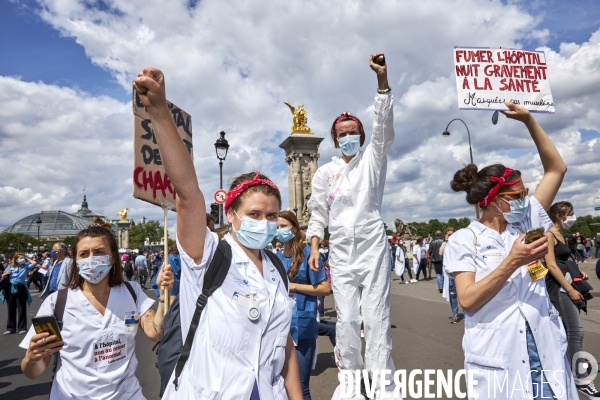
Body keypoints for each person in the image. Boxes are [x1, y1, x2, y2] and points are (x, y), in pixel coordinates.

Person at [133, 67, 303, 399]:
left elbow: (285, 348)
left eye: (271, 216)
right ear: (231, 214)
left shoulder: (278, 268)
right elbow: (188, 196)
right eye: (254, 214)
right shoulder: (209, 255)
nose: (264, 222)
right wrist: (159, 113)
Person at [444, 101, 578, 399]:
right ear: (494, 199)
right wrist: (512, 262)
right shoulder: (465, 239)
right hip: (501, 357)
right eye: (517, 195)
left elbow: (557, 168)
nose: (524, 199)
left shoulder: (527, 219)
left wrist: (529, 120)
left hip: (544, 348)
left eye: (525, 193)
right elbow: (467, 300)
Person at [305, 53, 399, 398]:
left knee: (375, 319)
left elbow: (384, 128)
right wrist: (315, 246)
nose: (348, 137)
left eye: (353, 132)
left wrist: (382, 83)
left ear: (361, 135)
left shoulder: (373, 158)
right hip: (341, 248)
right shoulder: (324, 173)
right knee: (346, 322)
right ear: (334, 140)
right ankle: (351, 386)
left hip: (372, 242)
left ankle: (384, 387)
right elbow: (318, 212)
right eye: (342, 134)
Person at [19, 220, 173, 399]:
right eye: (84, 254)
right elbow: (33, 372)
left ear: (112, 257)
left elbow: (156, 333)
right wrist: (31, 358)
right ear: (75, 260)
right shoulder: (57, 303)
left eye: (99, 252)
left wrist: (163, 295)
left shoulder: (132, 292)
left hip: (127, 394)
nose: (91, 259)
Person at [545, 202, 600, 398]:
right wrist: (569, 289)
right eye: (571, 214)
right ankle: (582, 380)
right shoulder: (549, 235)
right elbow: (551, 265)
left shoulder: (560, 235)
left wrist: (578, 274)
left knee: (570, 333)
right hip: (561, 289)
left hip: (568, 286)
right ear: (560, 216)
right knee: (575, 332)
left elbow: (564, 262)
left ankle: (571, 370)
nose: (573, 218)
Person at [276, 210, 330, 400]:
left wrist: (294, 286)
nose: (279, 230)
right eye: (276, 227)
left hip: (302, 326)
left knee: (300, 386)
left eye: (283, 226)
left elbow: (324, 288)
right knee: (280, 384)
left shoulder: (309, 254)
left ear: (294, 228)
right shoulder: (275, 257)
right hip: (279, 327)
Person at [1, 253, 38, 334]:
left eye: (23, 258)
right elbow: (3, 275)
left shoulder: (26, 267)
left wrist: (27, 259)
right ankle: (10, 328)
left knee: (21, 307)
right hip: (10, 287)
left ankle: (22, 328)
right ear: (16, 259)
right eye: (21, 258)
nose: (23, 259)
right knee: (11, 308)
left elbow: (35, 264)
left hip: (21, 287)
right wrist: (6, 274)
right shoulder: (10, 267)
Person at [440, 227, 463, 323]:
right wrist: (446, 241)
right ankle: (455, 314)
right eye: (449, 234)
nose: (451, 236)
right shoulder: (444, 244)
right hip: (449, 273)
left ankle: (467, 314)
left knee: (463, 293)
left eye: (452, 234)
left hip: (459, 271)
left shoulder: (458, 243)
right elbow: (440, 253)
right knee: (453, 294)